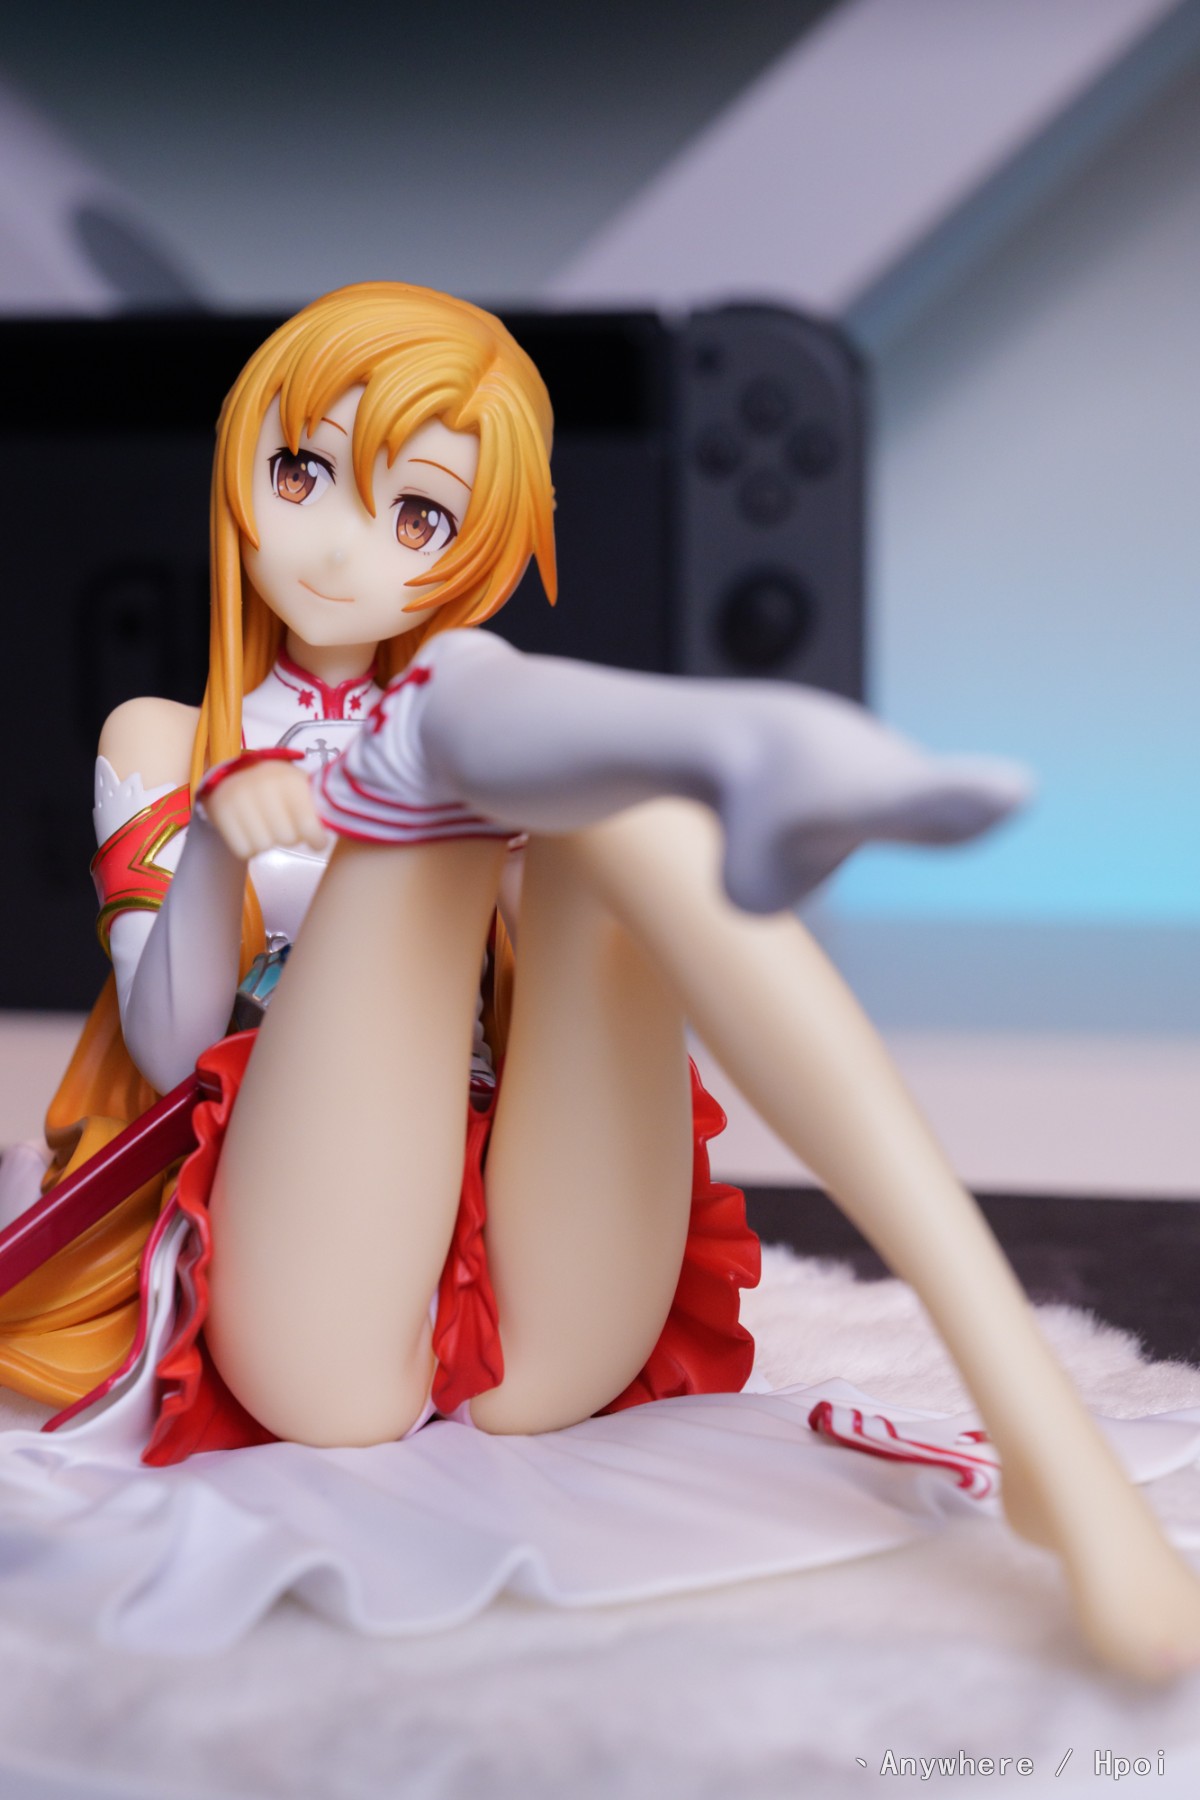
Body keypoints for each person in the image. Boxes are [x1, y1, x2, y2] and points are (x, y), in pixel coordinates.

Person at [3, 282, 1197, 1679]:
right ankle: (719, 737)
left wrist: (550, 819)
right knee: (448, 728)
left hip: (544, 1311)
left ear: (477, 545)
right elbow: (171, 1049)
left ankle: (1036, 1415)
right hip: (305, 1312)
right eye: (302, 473)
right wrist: (218, 837)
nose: (336, 545)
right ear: (240, 466)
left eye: (418, 516)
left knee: (605, 813)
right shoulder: (164, 735)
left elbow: (585, 956)